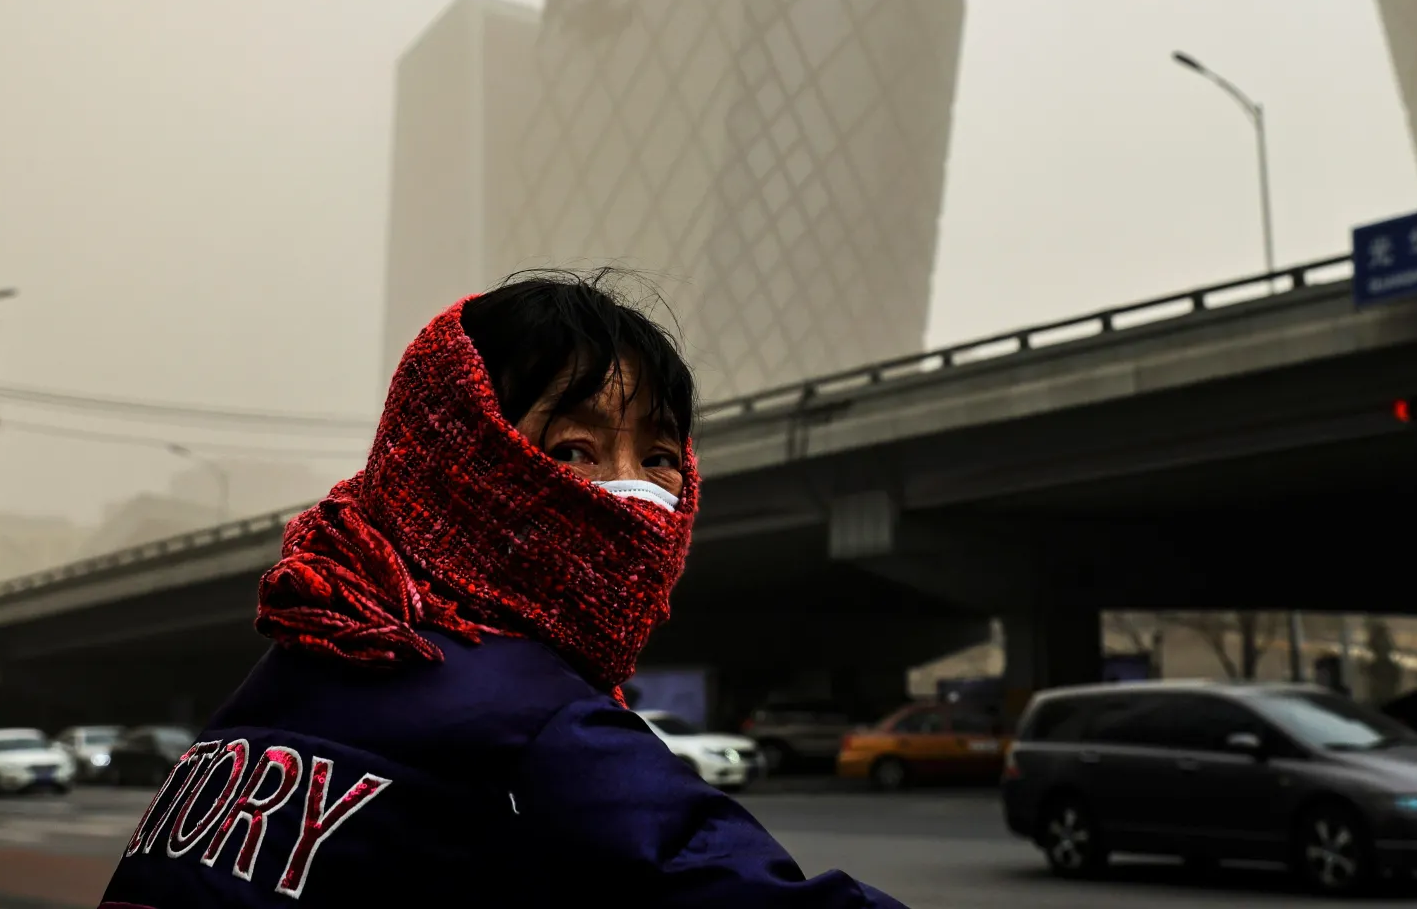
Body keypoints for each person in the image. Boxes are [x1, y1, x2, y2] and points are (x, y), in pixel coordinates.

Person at [100, 273, 906, 907]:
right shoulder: (531, 723)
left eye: (660, 457)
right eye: (575, 450)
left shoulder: (273, 695)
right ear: (454, 462)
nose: (633, 497)